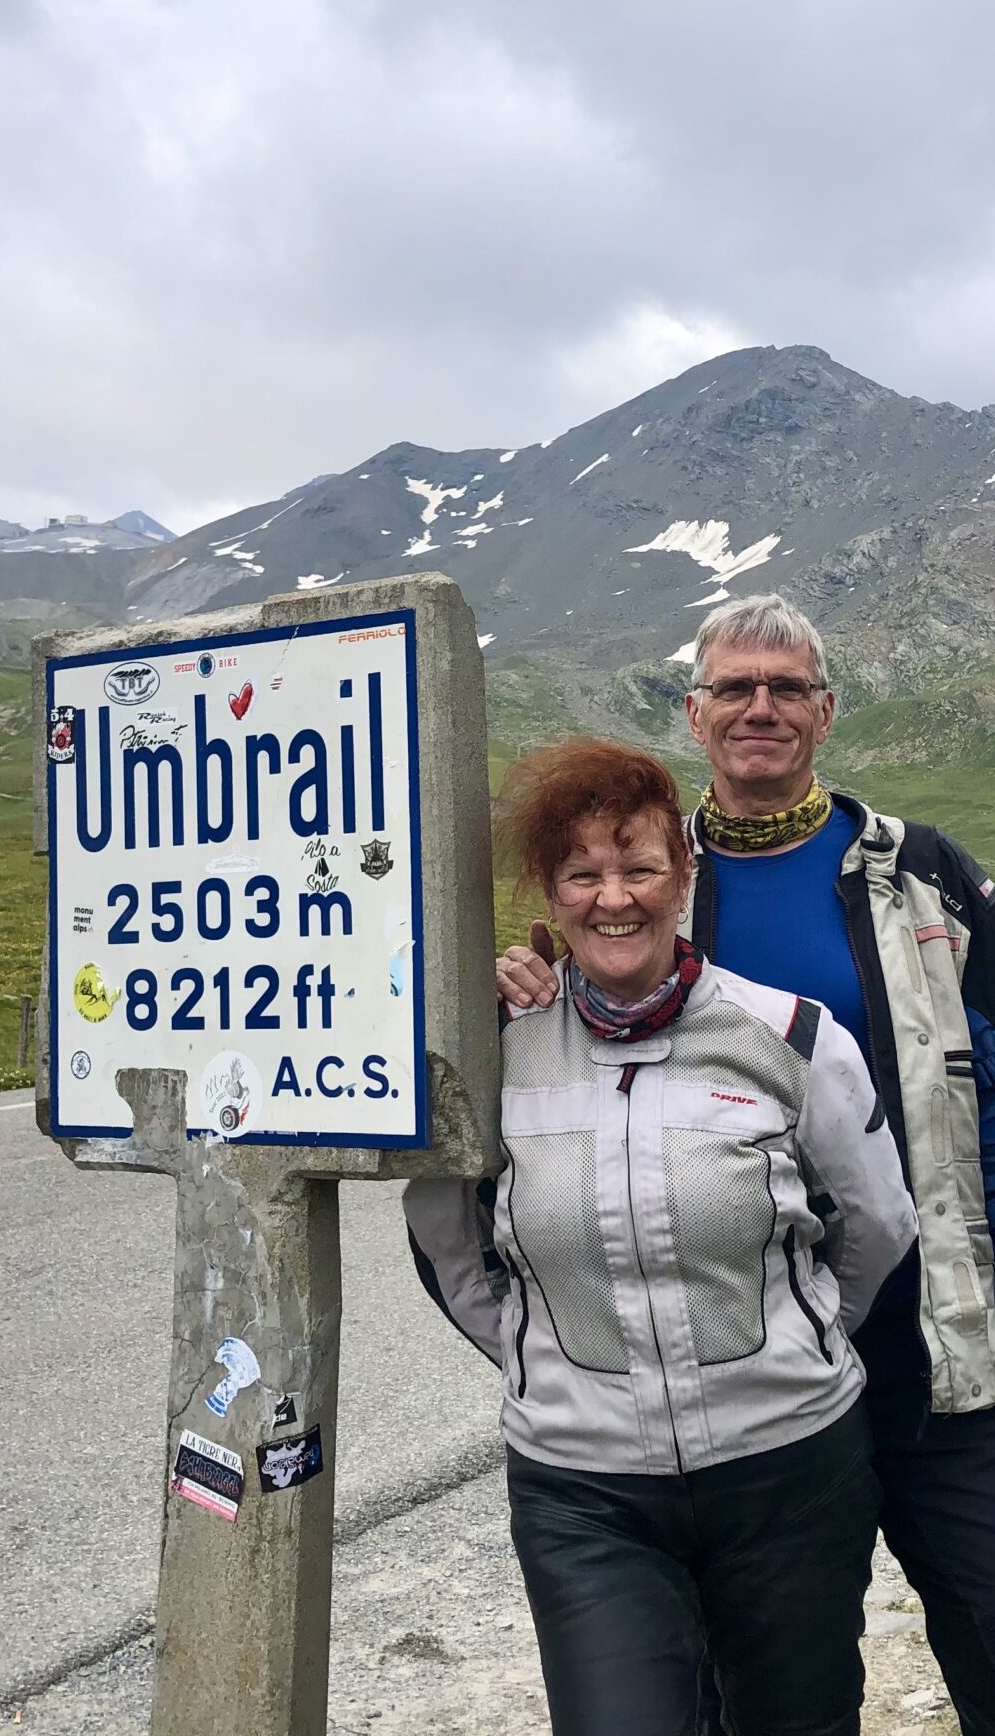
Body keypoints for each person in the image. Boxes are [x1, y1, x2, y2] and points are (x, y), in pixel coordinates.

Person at [496, 594, 995, 1736]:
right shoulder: (648, 881)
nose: (759, 708)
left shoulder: (926, 878)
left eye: (786, 688)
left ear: (824, 712)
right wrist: (519, 987)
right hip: (759, 1409)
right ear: (694, 713)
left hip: (944, 1359)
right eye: (734, 687)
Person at [406, 737, 917, 1736]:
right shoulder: (499, 1054)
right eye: (582, 874)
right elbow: (444, 1240)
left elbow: (878, 1220)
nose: (614, 898)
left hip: (788, 1465)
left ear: (682, 875)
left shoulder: (793, 1035)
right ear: (550, 897)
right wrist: (534, 1352)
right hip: (584, 1489)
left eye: (639, 867)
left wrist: (803, 1339)